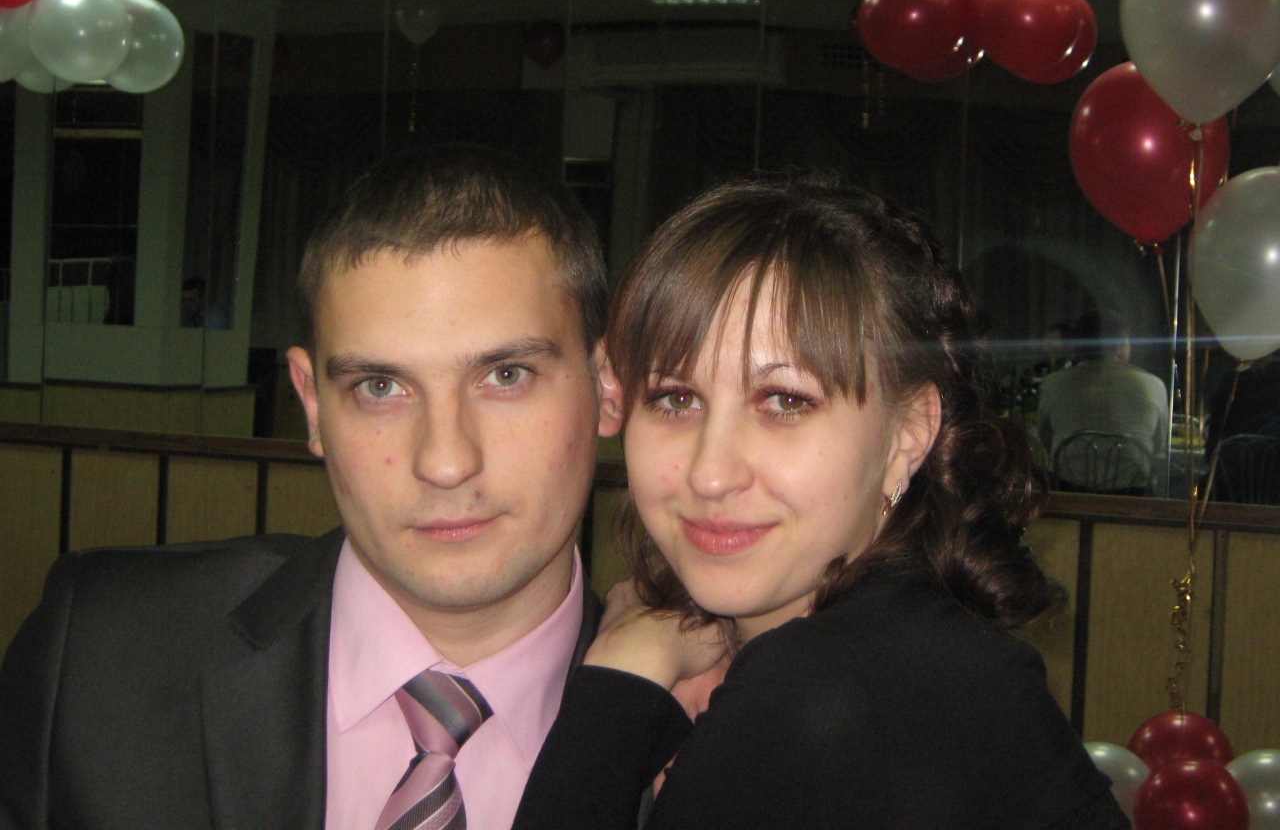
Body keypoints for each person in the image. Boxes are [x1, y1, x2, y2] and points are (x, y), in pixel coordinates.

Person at [0, 143, 623, 830]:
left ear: (607, 385)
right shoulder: (100, 651)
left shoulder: (694, 744)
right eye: (379, 387)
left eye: (506, 376)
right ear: (312, 404)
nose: (446, 463)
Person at [512, 174, 1129, 829]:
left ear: (907, 433)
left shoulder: (820, 691)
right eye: (675, 398)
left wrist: (620, 679)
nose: (711, 474)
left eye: (785, 402)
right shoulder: (923, 653)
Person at [1037, 309, 1168, 494]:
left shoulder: (1052, 383)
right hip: (1133, 498)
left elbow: (1044, 438)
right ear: (1120, 345)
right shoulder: (1154, 385)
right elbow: (1160, 446)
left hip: (1070, 495)